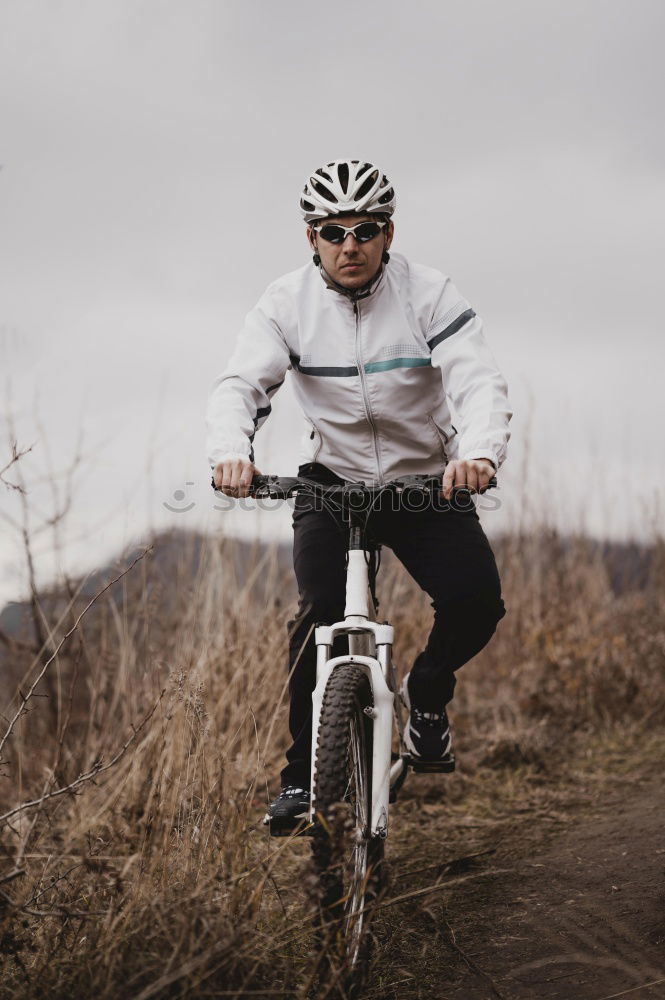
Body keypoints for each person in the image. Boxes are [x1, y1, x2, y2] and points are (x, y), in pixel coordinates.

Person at [207, 159, 511, 831]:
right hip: (334, 483)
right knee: (318, 617)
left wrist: (478, 453)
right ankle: (299, 781)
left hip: (423, 479)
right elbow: (240, 387)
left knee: (474, 603)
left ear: (388, 233)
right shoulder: (284, 304)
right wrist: (231, 453)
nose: (350, 244)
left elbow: (477, 382)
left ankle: (425, 691)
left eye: (365, 229)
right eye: (333, 231)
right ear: (311, 238)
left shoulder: (429, 295)